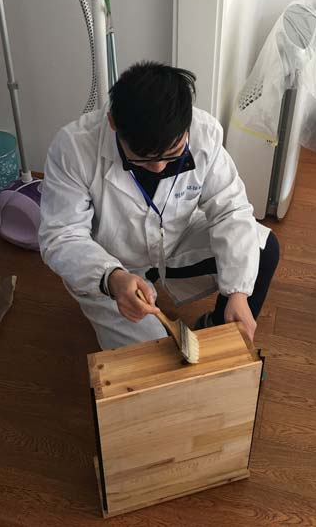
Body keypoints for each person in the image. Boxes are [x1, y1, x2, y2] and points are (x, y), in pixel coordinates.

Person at [39, 61, 279, 350]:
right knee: (159, 359)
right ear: (113, 123)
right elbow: (62, 235)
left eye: (173, 154)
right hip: (113, 265)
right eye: (143, 158)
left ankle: (216, 327)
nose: (159, 167)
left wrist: (238, 293)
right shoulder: (73, 148)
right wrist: (112, 278)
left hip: (174, 244)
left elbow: (230, 210)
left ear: (188, 124)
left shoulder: (205, 133)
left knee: (262, 247)